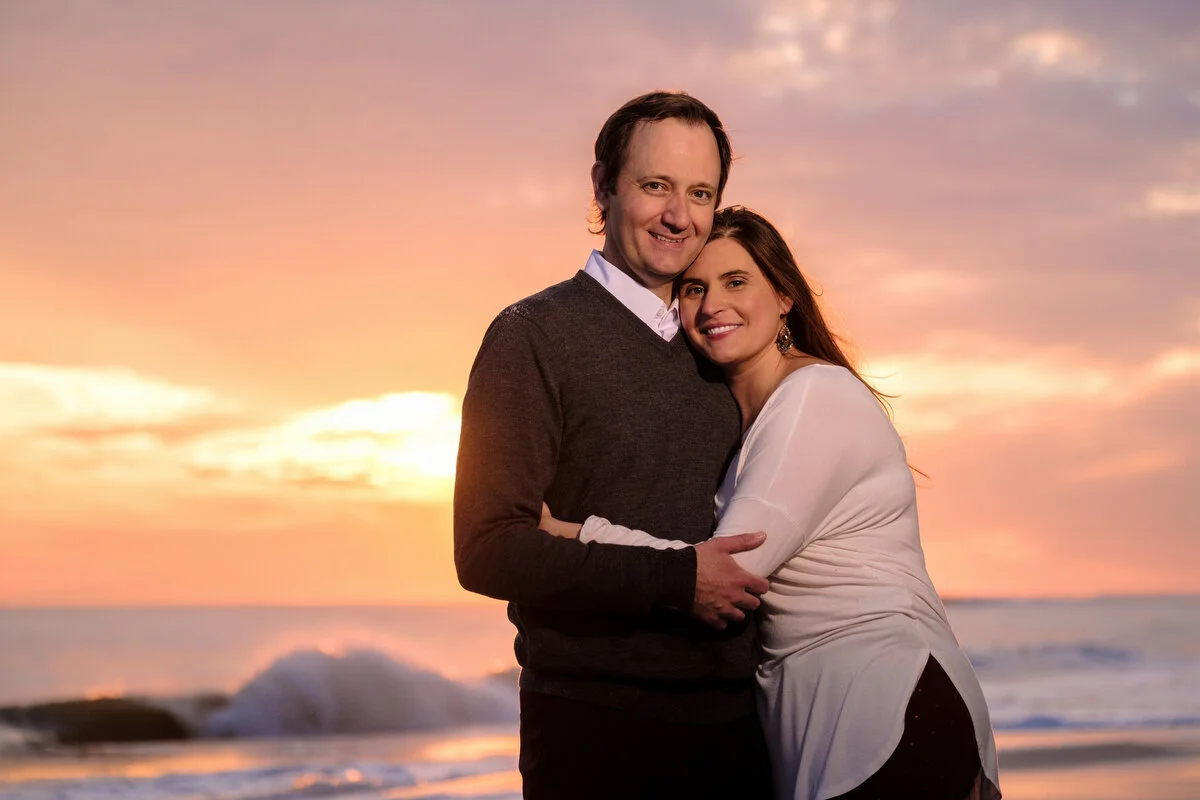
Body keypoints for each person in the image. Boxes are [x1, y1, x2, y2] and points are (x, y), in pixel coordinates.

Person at [541, 207, 1003, 800]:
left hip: (882, 709)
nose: (712, 305)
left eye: (737, 282)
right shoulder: (749, 419)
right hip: (833, 715)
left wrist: (574, 532)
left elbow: (731, 574)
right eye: (693, 288)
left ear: (784, 296)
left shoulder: (814, 396)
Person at [453, 92, 774, 798]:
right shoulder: (533, 336)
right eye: (655, 186)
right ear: (602, 187)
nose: (678, 216)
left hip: (738, 733)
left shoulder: (720, 342)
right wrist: (677, 582)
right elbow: (487, 546)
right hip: (597, 734)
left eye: (700, 193)